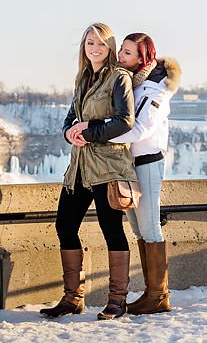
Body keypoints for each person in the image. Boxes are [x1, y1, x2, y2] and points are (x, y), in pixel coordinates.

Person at [40, 23, 137, 320]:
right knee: (64, 226)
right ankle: (72, 298)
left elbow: (125, 121)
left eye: (101, 43)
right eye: (89, 42)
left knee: (112, 231)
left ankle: (117, 301)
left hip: (108, 168)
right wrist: (69, 132)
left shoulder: (119, 78)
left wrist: (90, 130)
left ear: (109, 47)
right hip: (80, 167)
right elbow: (70, 118)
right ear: (84, 46)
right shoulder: (83, 78)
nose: (95, 48)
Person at [111, 32, 181, 315]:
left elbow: (139, 129)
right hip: (130, 166)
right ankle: (152, 292)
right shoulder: (133, 83)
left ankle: (159, 295)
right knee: (139, 229)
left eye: (127, 53)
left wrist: (97, 135)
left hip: (149, 164)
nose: (120, 56)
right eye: (122, 51)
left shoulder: (156, 89)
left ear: (143, 58)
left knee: (151, 227)